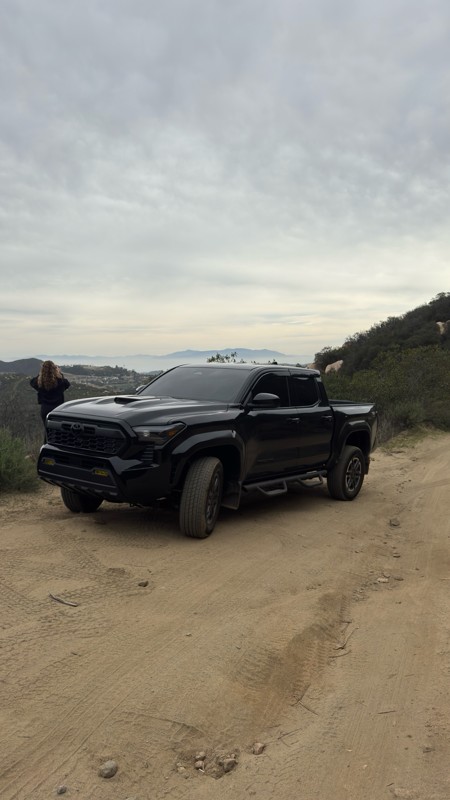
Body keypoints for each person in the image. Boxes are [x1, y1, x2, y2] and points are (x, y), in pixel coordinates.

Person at [30, 360, 71, 431]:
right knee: (57, 432)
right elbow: (67, 384)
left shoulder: (40, 383)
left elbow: (32, 382)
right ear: (55, 369)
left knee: (47, 432)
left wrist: (41, 374)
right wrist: (59, 373)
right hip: (58, 409)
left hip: (45, 409)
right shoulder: (60, 382)